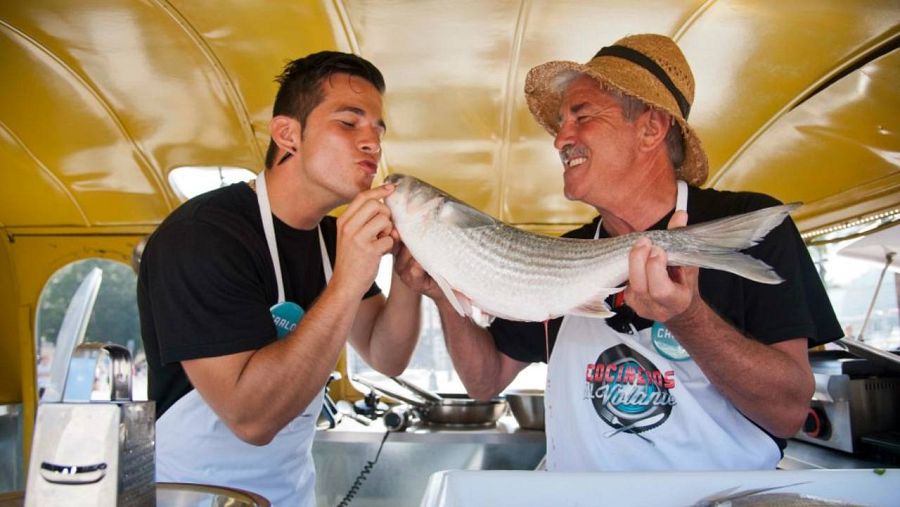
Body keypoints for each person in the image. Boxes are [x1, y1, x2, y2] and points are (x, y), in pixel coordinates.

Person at [399, 34, 842, 471]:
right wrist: (443, 291)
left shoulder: (747, 222)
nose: (560, 140)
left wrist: (688, 318)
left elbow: (787, 412)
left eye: (581, 116)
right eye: (560, 124)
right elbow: (485, 379)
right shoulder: (562, 255)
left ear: (651, 127)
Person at [137, 51, 422, 506]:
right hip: (196, 492)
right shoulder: (204, 236)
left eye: (377, 129)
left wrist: (409, 274)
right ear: (288, 134)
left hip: (289, 493)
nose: (372, 143)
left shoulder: (332, 239)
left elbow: (386, 355)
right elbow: (252, 419)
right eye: (349, 124)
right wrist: (348, 279)